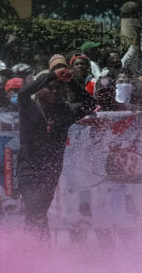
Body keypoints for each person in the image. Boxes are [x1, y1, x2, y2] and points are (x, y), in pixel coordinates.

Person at [18, 55, 97, 234]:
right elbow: (22, 93)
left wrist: (69, 82)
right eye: (50, 88)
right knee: (34, 208)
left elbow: (91, 104)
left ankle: (35, 249)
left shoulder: (64, 111)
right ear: (39, 90)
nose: (54, 91)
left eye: (57, 89)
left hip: (51, 169)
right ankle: (33, 248)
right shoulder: (29, 107)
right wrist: (54, 76)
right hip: (28, 167)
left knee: (39, 212)